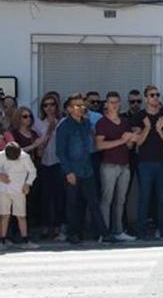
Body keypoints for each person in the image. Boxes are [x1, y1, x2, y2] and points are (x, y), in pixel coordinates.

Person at [56, 94, 115, 244]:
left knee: (94, 202)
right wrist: (68, 171)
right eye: (77, 105)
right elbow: (60, 152)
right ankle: (73, 233)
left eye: (82, 105)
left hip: (87, 168)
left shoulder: (86, 124)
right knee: (73, 203)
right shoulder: (64, 126)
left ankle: (103, 233)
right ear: (69, 109)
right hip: (72, 169)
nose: (81, 108)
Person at [131, 85, 163, 240]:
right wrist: (148, 128)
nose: (155, 97)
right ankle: (141, 231)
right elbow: (138, 143)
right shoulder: (139, 117)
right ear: (145, 98)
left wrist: (160, 129)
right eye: (151, 95)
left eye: (157, 94)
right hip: (144, 162)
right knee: (144, 197)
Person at [95, 92, 137, 242]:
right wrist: (121, 140)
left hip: (124, 165)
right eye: (111, 102)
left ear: (120, 104)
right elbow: (99, 145)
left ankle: (118, 230)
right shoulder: (102, 123)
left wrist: (132, 138)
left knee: (120, 200)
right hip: (109, 165)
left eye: (116, 102)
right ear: (106, 104)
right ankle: (104, 233)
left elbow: (130, 145)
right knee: (107, 199)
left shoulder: (125, 122)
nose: (113, 105)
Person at [34, 93, 64, 241]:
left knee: (59, 196)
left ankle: (58, 227)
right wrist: (49, 130)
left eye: (52, 104)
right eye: (46, 105)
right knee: (45, 196)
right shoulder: (38, 124)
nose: (49, 108)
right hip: (45, 163)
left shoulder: (63, 122)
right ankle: (45, 227)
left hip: (59, 163)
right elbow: (39, 148)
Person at [0, 142, 38, 249]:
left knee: (21, 216)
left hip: (19, 190)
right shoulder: (1, 155)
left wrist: (28, 184)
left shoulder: (25, 157)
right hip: (3, 189)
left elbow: (32, 172)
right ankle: (2, 240)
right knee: (4, 215)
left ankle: (25, 240)